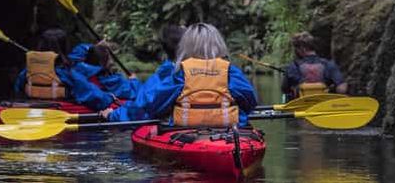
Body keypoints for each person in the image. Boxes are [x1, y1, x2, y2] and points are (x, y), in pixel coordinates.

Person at [102, 23, 257, 128]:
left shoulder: (180, 73)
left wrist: (113, 116)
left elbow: (153, 104)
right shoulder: (231, 71)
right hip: (228, 131)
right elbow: (250, 102)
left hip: (185, 130)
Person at [13, 28, 116, 110]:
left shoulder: (27, 71)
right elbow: (98, 99)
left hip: (33, 107)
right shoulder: (68, 75)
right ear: (65, 48)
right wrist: (110, 98)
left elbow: (18, 89)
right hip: (61, 109)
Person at [99, 25, 185, 121]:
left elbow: (141, 106)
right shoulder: (183, 71)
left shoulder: (171, 74)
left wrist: (113, 115)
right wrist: (134, 82)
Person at [281, 31, 347, 99]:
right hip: (322, 105)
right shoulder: (328, 64)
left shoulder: (293, 66)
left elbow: (285, 89)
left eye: (296, 49)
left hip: (301, 106)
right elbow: (342, 89)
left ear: (302, 49)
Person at [70, 41, 141, 100]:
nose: (111, 61)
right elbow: (136, 92)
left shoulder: (78, 71)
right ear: (102, 62)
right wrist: (134, 81)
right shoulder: (112, 81)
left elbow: (78, 53)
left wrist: (95, 48)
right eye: (108, 58)